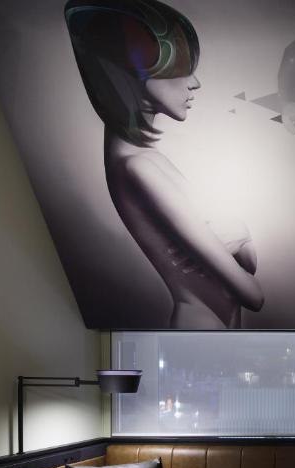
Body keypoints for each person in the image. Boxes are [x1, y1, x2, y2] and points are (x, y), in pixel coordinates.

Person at [65, 0, 264, 328]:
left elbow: (248, 260)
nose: (194, 83)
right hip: (201, 325)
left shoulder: (148, 160)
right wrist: (237, 232)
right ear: (132, 75)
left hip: (214, 324)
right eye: (180, 69)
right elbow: (253, 294)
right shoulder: (139, 169)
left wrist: (234, 235)